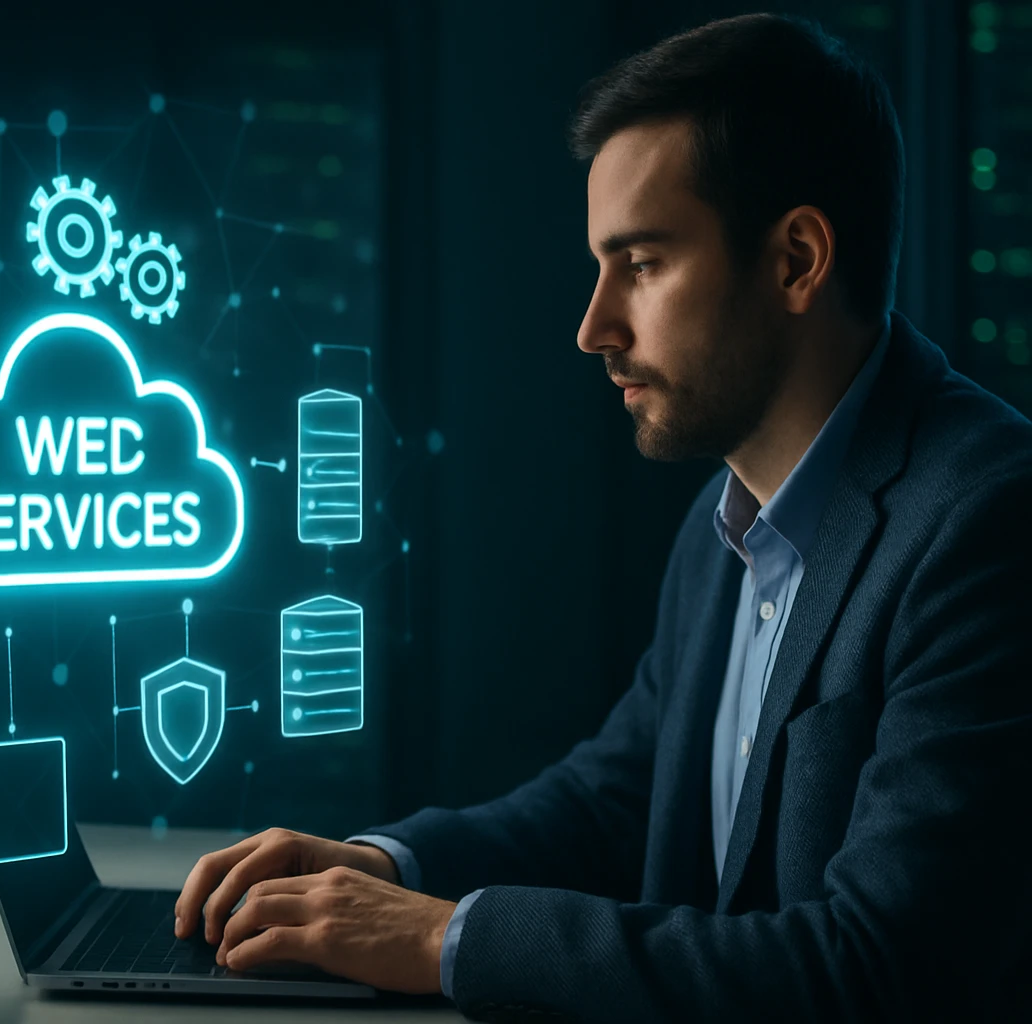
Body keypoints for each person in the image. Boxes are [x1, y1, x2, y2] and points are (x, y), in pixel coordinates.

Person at [173, 13, 1032, 1020]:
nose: (594, 328)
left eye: (644, 263)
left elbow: (873, 968)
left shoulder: (986, 523)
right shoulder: (729, 523)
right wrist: (382, 865)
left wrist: (445, 939)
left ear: (797, 258)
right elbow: (616, 798)